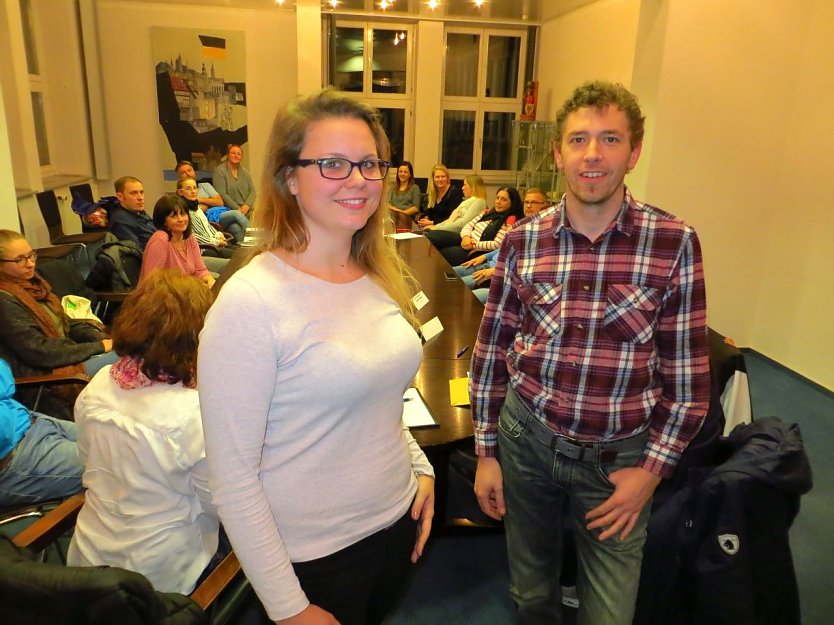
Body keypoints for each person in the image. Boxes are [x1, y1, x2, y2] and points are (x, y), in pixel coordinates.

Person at [470, 81, 710, 625]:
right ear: (558, 153)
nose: (593, 154)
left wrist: (651, 471)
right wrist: (487, 452)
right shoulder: (522, 241)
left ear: (634, 152)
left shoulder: (674, 243)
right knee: (531, 596)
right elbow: (491, 352)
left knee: (610, 613)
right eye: (578, 139)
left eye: (610, 139)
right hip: (525, 442)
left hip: (619, 461)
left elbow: (689, 382)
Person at [198, 88, 435, 625]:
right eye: (332, 164)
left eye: (369, 163)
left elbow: (384, 400)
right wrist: (288, 607)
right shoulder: (251, 301)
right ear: (289, 177)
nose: (358, 179)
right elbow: (232, 479)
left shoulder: (377, 274)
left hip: (397, 522)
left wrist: (420, 468)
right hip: (316, 560)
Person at [67, 270, 219, 595]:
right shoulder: (193, 413)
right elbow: (219, 504)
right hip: (163, 575)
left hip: (88, 560)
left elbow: (87, 460)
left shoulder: (100, 382)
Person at [0, 230, 116, 419]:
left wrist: (103, 337)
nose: (30, 263)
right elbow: (40, 351)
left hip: (66, 358)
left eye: (31, 255)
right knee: (129, 357)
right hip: (46, 377)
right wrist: (98, 347)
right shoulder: (5, 300)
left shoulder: (36, 287)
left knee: (129, 348)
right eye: (20, 259)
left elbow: (66, 323)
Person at [0, 358, 83, 506]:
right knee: (123, 462)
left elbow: (5, 379)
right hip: (13, 455)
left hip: (28, 420)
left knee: (124, 441)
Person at [454, 187, 552, 304]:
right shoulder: (521, 225)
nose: (529, 205)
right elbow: (504, 247)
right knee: (449, 276)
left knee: (458, 292)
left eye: (534, 202)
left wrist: (495, 270)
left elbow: (527, 265)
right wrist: (485, 257)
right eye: (526, 202)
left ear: (546, 206)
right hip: (488, 264)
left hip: (501, 276)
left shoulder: (544, 232)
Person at [140, 195, 215, 289]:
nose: (181, 219)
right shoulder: (160, 241)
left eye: (183, 214)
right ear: (163, 221)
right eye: (173, 216)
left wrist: (209, 280)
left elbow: (200, 270)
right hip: (163, 299)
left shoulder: (189, 238)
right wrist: (192, 286)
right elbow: (152, 284)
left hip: (188, 293)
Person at [437, 186, 523, 266]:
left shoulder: (510, 220)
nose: (498, 202)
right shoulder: (489, 212)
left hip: (477, 250)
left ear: (512, 203)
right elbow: (469, 225)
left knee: (440, 253)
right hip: (466, 239)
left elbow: (497, 245)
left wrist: (472, 244)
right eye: (497, 198)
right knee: (434, 237)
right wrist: (466, 237)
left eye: (503, 200)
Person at [175, 160, 250, 244]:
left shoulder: (205, 185)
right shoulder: (180, 197)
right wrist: (209, 201)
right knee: (236, 214)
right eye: (183, 172)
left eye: (189, 170)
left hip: (219, 214)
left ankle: (247, 249)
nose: (188, 174)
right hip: (207, 222)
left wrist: (200, 199)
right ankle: (254, 238)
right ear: (179, 176)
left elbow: (219, 202)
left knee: (235, 227)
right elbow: (197, 209)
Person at [175, 177, 233, 274]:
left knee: (240, 251)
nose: (193, 191)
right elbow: (192, 236)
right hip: (203, 248)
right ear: (180, 192)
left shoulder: (196, 206)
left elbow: (207, 226)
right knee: (236, 257)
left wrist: (218, 235)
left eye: (194, 188)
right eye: (188, 188)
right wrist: (216, 242)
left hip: (213, 243)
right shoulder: (182, 211)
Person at [423, 174, 488, 249]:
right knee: (425, 233)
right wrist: (436, 226)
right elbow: (451, 220)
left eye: (465, 185)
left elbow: (462, 224)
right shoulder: (467, 201)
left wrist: (436, 228)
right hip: (452, 230)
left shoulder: (479, 201)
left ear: (473, 187)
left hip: (460, 233)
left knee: (430, 235)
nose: (462, 188)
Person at [108, 176, 156, 249]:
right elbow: (136, 251)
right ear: (120, 197)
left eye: (141, 192)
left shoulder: (139, 212)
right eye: (133, 193)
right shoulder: (120, 221)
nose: (140, 198)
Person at [212, 144, 256, 218]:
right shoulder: (219, 171)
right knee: (237, 228)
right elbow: (222, 193)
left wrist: (247, 205)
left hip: (247, 210)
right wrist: (238, 209)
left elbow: (252, 192)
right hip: (228, 211)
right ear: (228, 155)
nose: (236, 155)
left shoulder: (245, 172)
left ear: (241, 157)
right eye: (233, 153)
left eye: (239, 154)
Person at [387, 161, 422, 226]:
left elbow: (416, 208)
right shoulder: (393, 186)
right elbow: (387, 204)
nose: (402, 174)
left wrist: (402, 214)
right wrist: (398, 213)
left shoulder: (415, 188)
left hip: (408, 219)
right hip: (393, 218)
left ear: (410, 174)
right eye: (400, 171)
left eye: (405, 172)